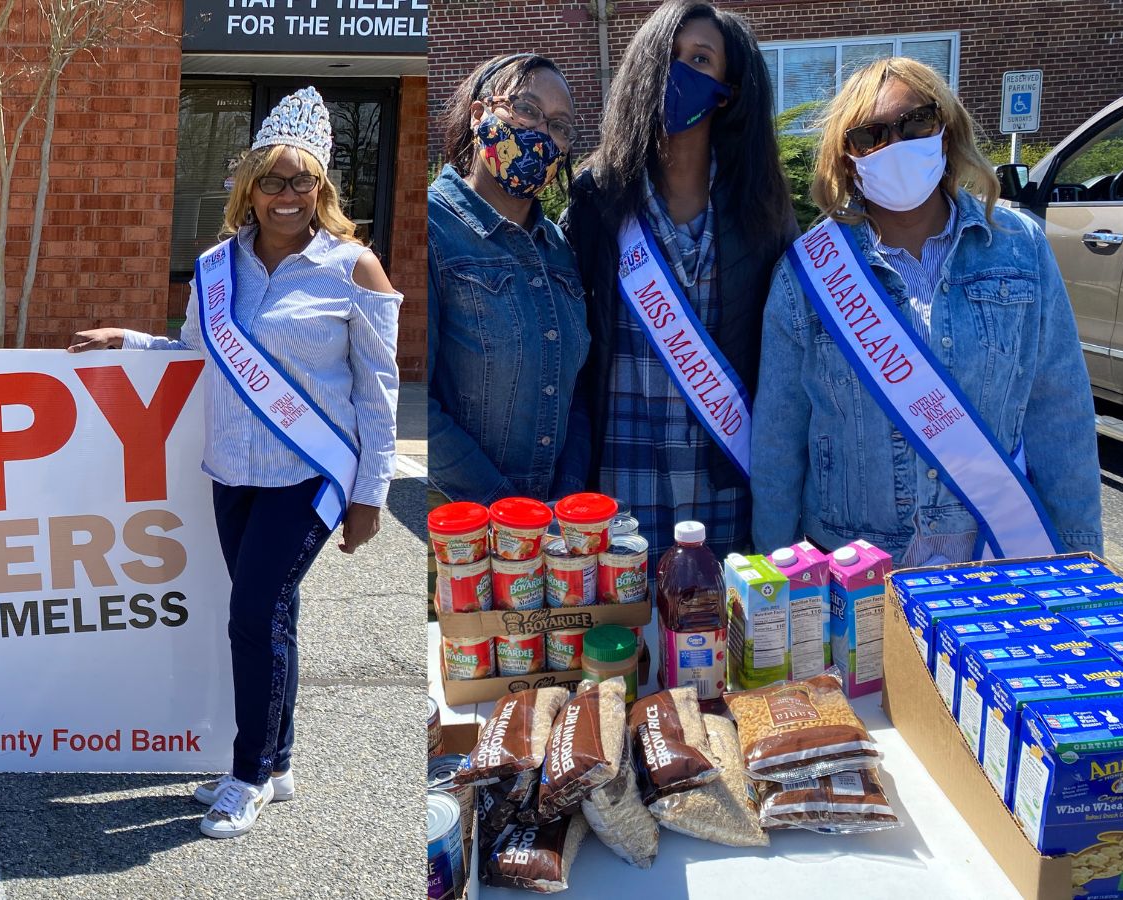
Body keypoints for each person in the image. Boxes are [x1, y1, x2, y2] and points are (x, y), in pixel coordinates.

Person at [69, 87, 402, 837]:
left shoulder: (355, 269)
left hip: (311, 476)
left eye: (304, 180)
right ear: (249, 187)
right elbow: (194, 356)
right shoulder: (216, 269)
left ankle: (246, 774)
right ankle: (278, 761)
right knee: (273, 614)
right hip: (233, 473)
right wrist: (129, 339)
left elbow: (380, 392)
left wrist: (370, 495)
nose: (289, 196)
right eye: (274, 180)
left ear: (323, 188)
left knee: (251, 617)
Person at [750, 57, 1102, 564]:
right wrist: (778, 576)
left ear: (947, 128)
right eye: (870, 135)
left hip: (994, 555)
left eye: (916, 121)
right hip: (856, 570)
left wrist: (1078, 562)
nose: (896, 144)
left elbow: (1061, 415)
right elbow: (779, 441)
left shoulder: (1019, 247)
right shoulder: (808, 273)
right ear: (847, 158)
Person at [560, 0, 797, 560]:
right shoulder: (597, 202)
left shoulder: (761, 212)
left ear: (729, 88)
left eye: (700, 59)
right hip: (620, 482)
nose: (677, 74)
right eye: (666, 56)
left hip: (726, 486)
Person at [428, 53, 588, 505]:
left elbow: (578, 394)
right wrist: (509, 508)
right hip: (461, 530)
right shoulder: (434, 230)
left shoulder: (560, 248)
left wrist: (565, 501)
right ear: (480, 114)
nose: (542, 133)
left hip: (552, 528)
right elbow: (418, 402)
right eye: (527, 110)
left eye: (559, 126)